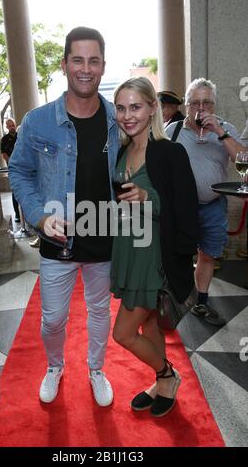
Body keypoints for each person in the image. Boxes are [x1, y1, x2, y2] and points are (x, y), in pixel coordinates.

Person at [9, 27, 120, 407]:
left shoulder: (117, 119)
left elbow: (141, 163)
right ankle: (55, 366)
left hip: (104, 235)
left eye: (93, 60)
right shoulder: (37, 121)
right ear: (64, 64)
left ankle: (95, 369)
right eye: (78, 59)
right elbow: (19, 171)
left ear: (103, 66)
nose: (85, 69)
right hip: (58, 239)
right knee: (53, 319)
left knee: (100, 309)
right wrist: (39, 216)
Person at [111, 77, 199, 417]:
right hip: (128, 251)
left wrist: (150, 197)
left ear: (152, 109)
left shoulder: (169, 152)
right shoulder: (121, 150)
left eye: (135, 107)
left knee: (123, 333)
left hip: (154, 257)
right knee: (148, 327)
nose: (127, 115)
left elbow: (186, 207)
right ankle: (162, 383)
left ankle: (167, 374)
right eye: (121, 108)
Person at [166, 78, 245, 326]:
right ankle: (175, 300)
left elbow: (243, 159)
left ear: (214, 105)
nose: (201, 109)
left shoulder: (226, 128)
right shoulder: (173, 131)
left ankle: (201, 300)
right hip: (180, 209)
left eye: (207, 103)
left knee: (208, 255)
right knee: (177, 255)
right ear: (187, 105)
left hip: (212, 206)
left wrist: (219, 133)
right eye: (195, 103)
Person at [0, 118, 20, 222]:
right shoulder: (4, 139)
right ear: (7, 127)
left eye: (13, 125)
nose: (12, 127)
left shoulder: (21, 136)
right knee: (15, 191)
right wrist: (12, 164)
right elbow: (4, 154)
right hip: (13, 168)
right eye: (10, 126)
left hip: (24, 167)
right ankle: (17, 214)